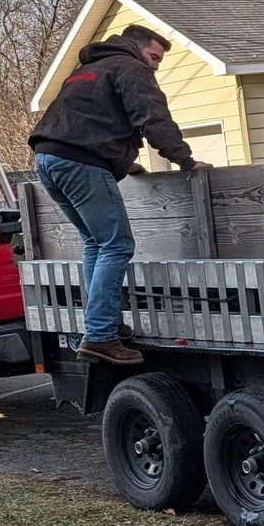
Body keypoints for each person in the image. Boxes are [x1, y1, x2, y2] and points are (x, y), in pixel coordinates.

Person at [29, 24, 200, 365]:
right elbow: (153, 117)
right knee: (116, 245)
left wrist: (124, 162)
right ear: (137, 48)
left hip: (48, 159)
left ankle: (102, 325)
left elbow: (90, 121)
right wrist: (185, 160)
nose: (154, 66)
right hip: (80, 161)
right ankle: (100, 335)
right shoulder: (130, 67)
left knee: (95, 242)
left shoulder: (87, 70)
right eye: (154, 57)